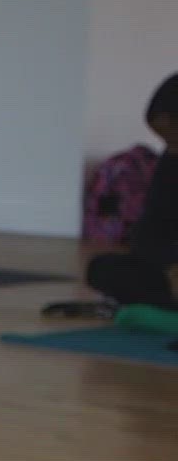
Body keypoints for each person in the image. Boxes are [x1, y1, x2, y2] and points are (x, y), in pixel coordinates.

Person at [84, 72, 178, 307]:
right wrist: (171, 264)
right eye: (165, 140)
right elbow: (148, 231)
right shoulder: (170, 162)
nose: (170, 147)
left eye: (174, 138)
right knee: (102, 269)